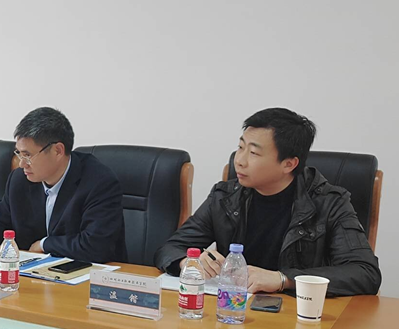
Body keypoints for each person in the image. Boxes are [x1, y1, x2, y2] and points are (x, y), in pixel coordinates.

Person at [155, 107, 381, 297]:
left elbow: (365, 272)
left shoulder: (329, 203)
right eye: (240, 147)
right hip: (233, 309)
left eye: (253, 153)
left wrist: (283, 279)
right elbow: (170, 249)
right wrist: (189, 263)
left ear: (289, 164)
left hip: (297, 316)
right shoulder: (225, 197)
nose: (239, 161)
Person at [0, 107, 127, 264]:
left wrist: (44, 244)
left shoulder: (98, 182)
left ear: (57, 150)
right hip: (35, 277)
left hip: (88, 280)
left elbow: (96, 246)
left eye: (28, 155)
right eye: (19, 154)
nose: (22, 163)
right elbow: (0, 221)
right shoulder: (20, 180)